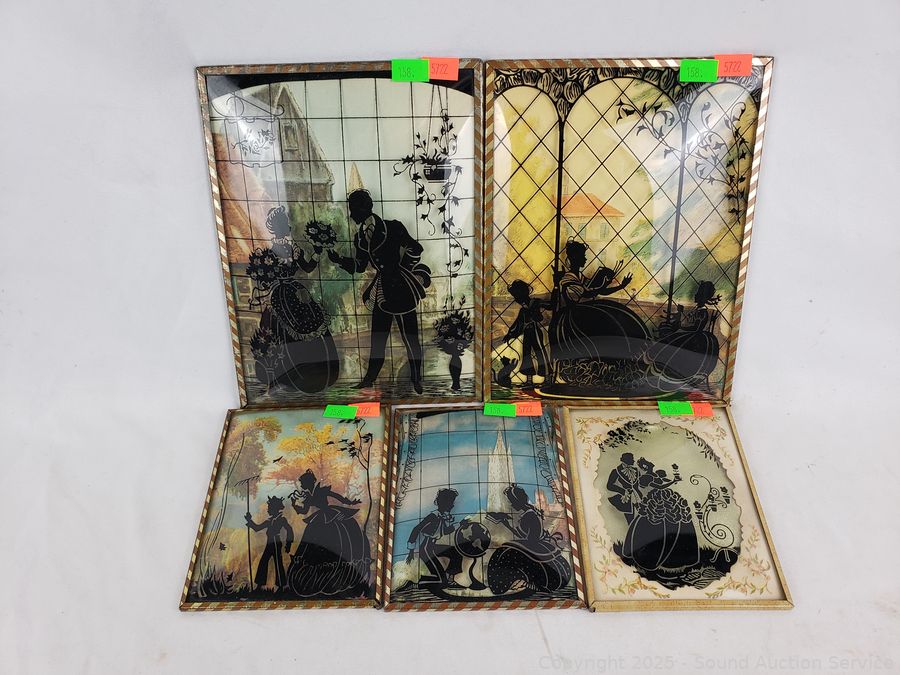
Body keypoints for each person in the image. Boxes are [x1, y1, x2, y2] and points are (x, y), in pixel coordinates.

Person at [328, 190, 431, 393]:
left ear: (364, 207)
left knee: (410, 338)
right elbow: (359, 266)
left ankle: (416, 379)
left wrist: (403, 269)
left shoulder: (393, 227)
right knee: (378, 340)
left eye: (353, 209)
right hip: (382, 290)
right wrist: (339, 260)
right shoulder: (359, 238)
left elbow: (416, 249)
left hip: (402, 290)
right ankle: (369, 379)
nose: (351, 214)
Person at [247, 206, 340, 394]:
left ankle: (320, 372)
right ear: (276, 227)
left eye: (286, 223)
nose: (287, 227)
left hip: (297, 293)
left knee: (313, 326)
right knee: (280, 333)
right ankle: (285, 377)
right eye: (284, 223)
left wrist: (317, 251)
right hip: (281, 297)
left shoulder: (293, 248)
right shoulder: (269, 252)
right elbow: (264, 279)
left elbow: (307, 267)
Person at [548, 240, 650, 386]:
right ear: (573, 258)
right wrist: (604, 283)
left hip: (582, 314)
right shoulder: (567, 279)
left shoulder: (580, 278)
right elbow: (586, 294)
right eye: (582, 256)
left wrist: (621, 286)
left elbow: (598, 291)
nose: (585, 259)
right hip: (572, 319)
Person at [287, 469, 370, 598]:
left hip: (330, 516)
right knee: (311, 539)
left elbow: (337, 497)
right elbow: (303, 511)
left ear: (309, 482)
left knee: (338, 537)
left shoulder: (322, 490)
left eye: (303, 483)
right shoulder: (308, 496)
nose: (302, 486)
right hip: (319, 519)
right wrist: (293, 504)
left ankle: (341, 568)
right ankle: (320, 570)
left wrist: (350, 502)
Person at [486, 484, 571, 595]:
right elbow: (523, 535)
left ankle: (519, 583)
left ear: (517, 501)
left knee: (504, 553)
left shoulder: (529, 515)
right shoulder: (528, 513)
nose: (511, 504)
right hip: (534, 544)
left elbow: (532, 539)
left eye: (512, 501)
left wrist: (509, 532)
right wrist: (506, 523)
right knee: (506, 549)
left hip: (536, 547)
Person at [621, 466, 700, 575]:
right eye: (661, 476)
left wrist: (674, 480)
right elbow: (660, 486)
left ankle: (679, 558)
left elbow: (664, 483)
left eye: (662, 477)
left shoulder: (659, 480)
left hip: (665, 500)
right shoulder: (651, 481)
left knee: (677, 520)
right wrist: (673, 481)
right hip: (656, 503)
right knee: (655, 522)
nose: (662, 478)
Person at [647, 280, 721, 391]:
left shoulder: (702, 312)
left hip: (696, 339)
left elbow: (696, 328)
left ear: (702, 297)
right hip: (693, 335)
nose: (695, 296)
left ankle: (673, 373)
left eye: (698, 294)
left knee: (674, 344)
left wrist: (681, 327)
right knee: (671, 340)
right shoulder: (698, 310)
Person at [406, 488, 466, 587]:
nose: (452, 505)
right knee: (440, 580)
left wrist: (460, 524)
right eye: (451, 503)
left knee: (455, 552)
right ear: (444, 503)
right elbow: (416, 529)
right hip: (426, 548)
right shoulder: (433, 516)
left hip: (433, 546)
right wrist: (411, 550)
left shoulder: (442, 516)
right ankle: (415, 582)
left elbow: (445, 531)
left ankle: (451, 579)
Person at [502, 280, 551, 386]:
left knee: (540, 354)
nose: (516, 299)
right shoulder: (523, 310)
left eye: (517, 296)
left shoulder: (535, 302)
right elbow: (517, 324)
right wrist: (509, 334)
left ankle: (547, 378)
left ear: (522, 294)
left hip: (535, 331)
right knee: (526, 356)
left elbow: (550, 306)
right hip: (527, 333)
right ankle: (529, 380)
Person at [245, 495, 294, 592]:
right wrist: (249, 520)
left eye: (269, 507)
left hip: (276, 542)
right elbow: (257, 528)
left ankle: (280, 586)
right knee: (263, 562)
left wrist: (289, 543)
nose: (268, 509)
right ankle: (259, 585)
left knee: (278, 563)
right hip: (269, 542)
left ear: (275, 508)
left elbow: (289, 530)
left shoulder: (281, 519)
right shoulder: (269, 520)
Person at [606, 452, 642, 523]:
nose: (633, 461)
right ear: (626, 460)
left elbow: (641, 483)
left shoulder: (636, 471)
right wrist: (623, 491)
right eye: (631, 459)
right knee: (630, 520)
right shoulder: (616, 471)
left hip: (639, 498)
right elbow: (609, 486)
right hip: (626, 499)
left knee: (641, 518)